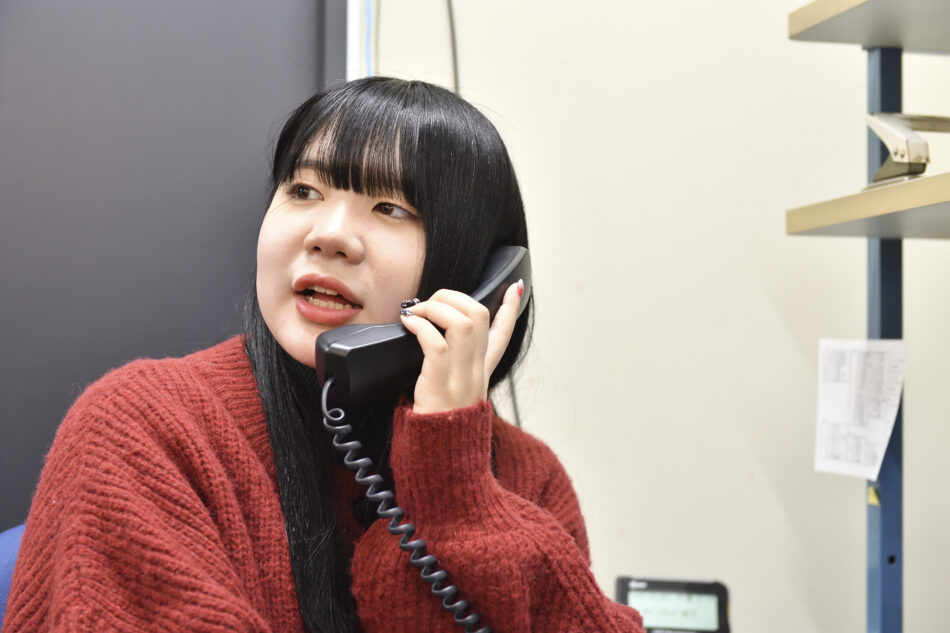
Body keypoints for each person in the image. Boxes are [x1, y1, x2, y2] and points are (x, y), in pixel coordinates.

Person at [2, 78, 643, 633]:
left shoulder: (526, 479)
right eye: (304, 191)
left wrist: (453, 481)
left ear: (481, 278)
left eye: (390, 207)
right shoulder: (144, 429)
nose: (329, 235)